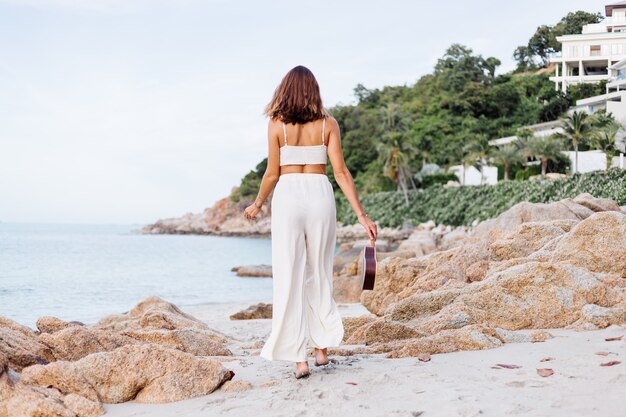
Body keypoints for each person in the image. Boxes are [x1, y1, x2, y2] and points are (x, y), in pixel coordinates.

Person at [243, 65, 377, 379]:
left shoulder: (277, 125)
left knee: (290, 274)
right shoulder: (329, 124)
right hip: (319, 193)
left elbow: (272, 173)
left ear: (284, 90)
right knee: (319, 271)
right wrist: (361, 215)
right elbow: (341, 173)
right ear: (313, 90)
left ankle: (298, 359)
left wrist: (258, 203)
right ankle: (321, 350)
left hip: (288, 195)